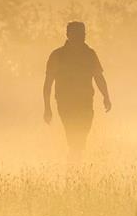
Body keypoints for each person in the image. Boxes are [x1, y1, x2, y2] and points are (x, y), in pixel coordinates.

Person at [43, 21, 111, 161]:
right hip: (65, 103)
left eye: (83, 33)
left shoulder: (90, 54)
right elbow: (48, 83)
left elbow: (98, 76)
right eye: (78, 34)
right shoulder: (57, 55)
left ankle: (75, 168)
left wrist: (106, 96)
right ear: (68, 35)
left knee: (80, 138)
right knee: (74, 138)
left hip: (86, 103)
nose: (82, 36)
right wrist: (47, 108)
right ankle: (74, 169)